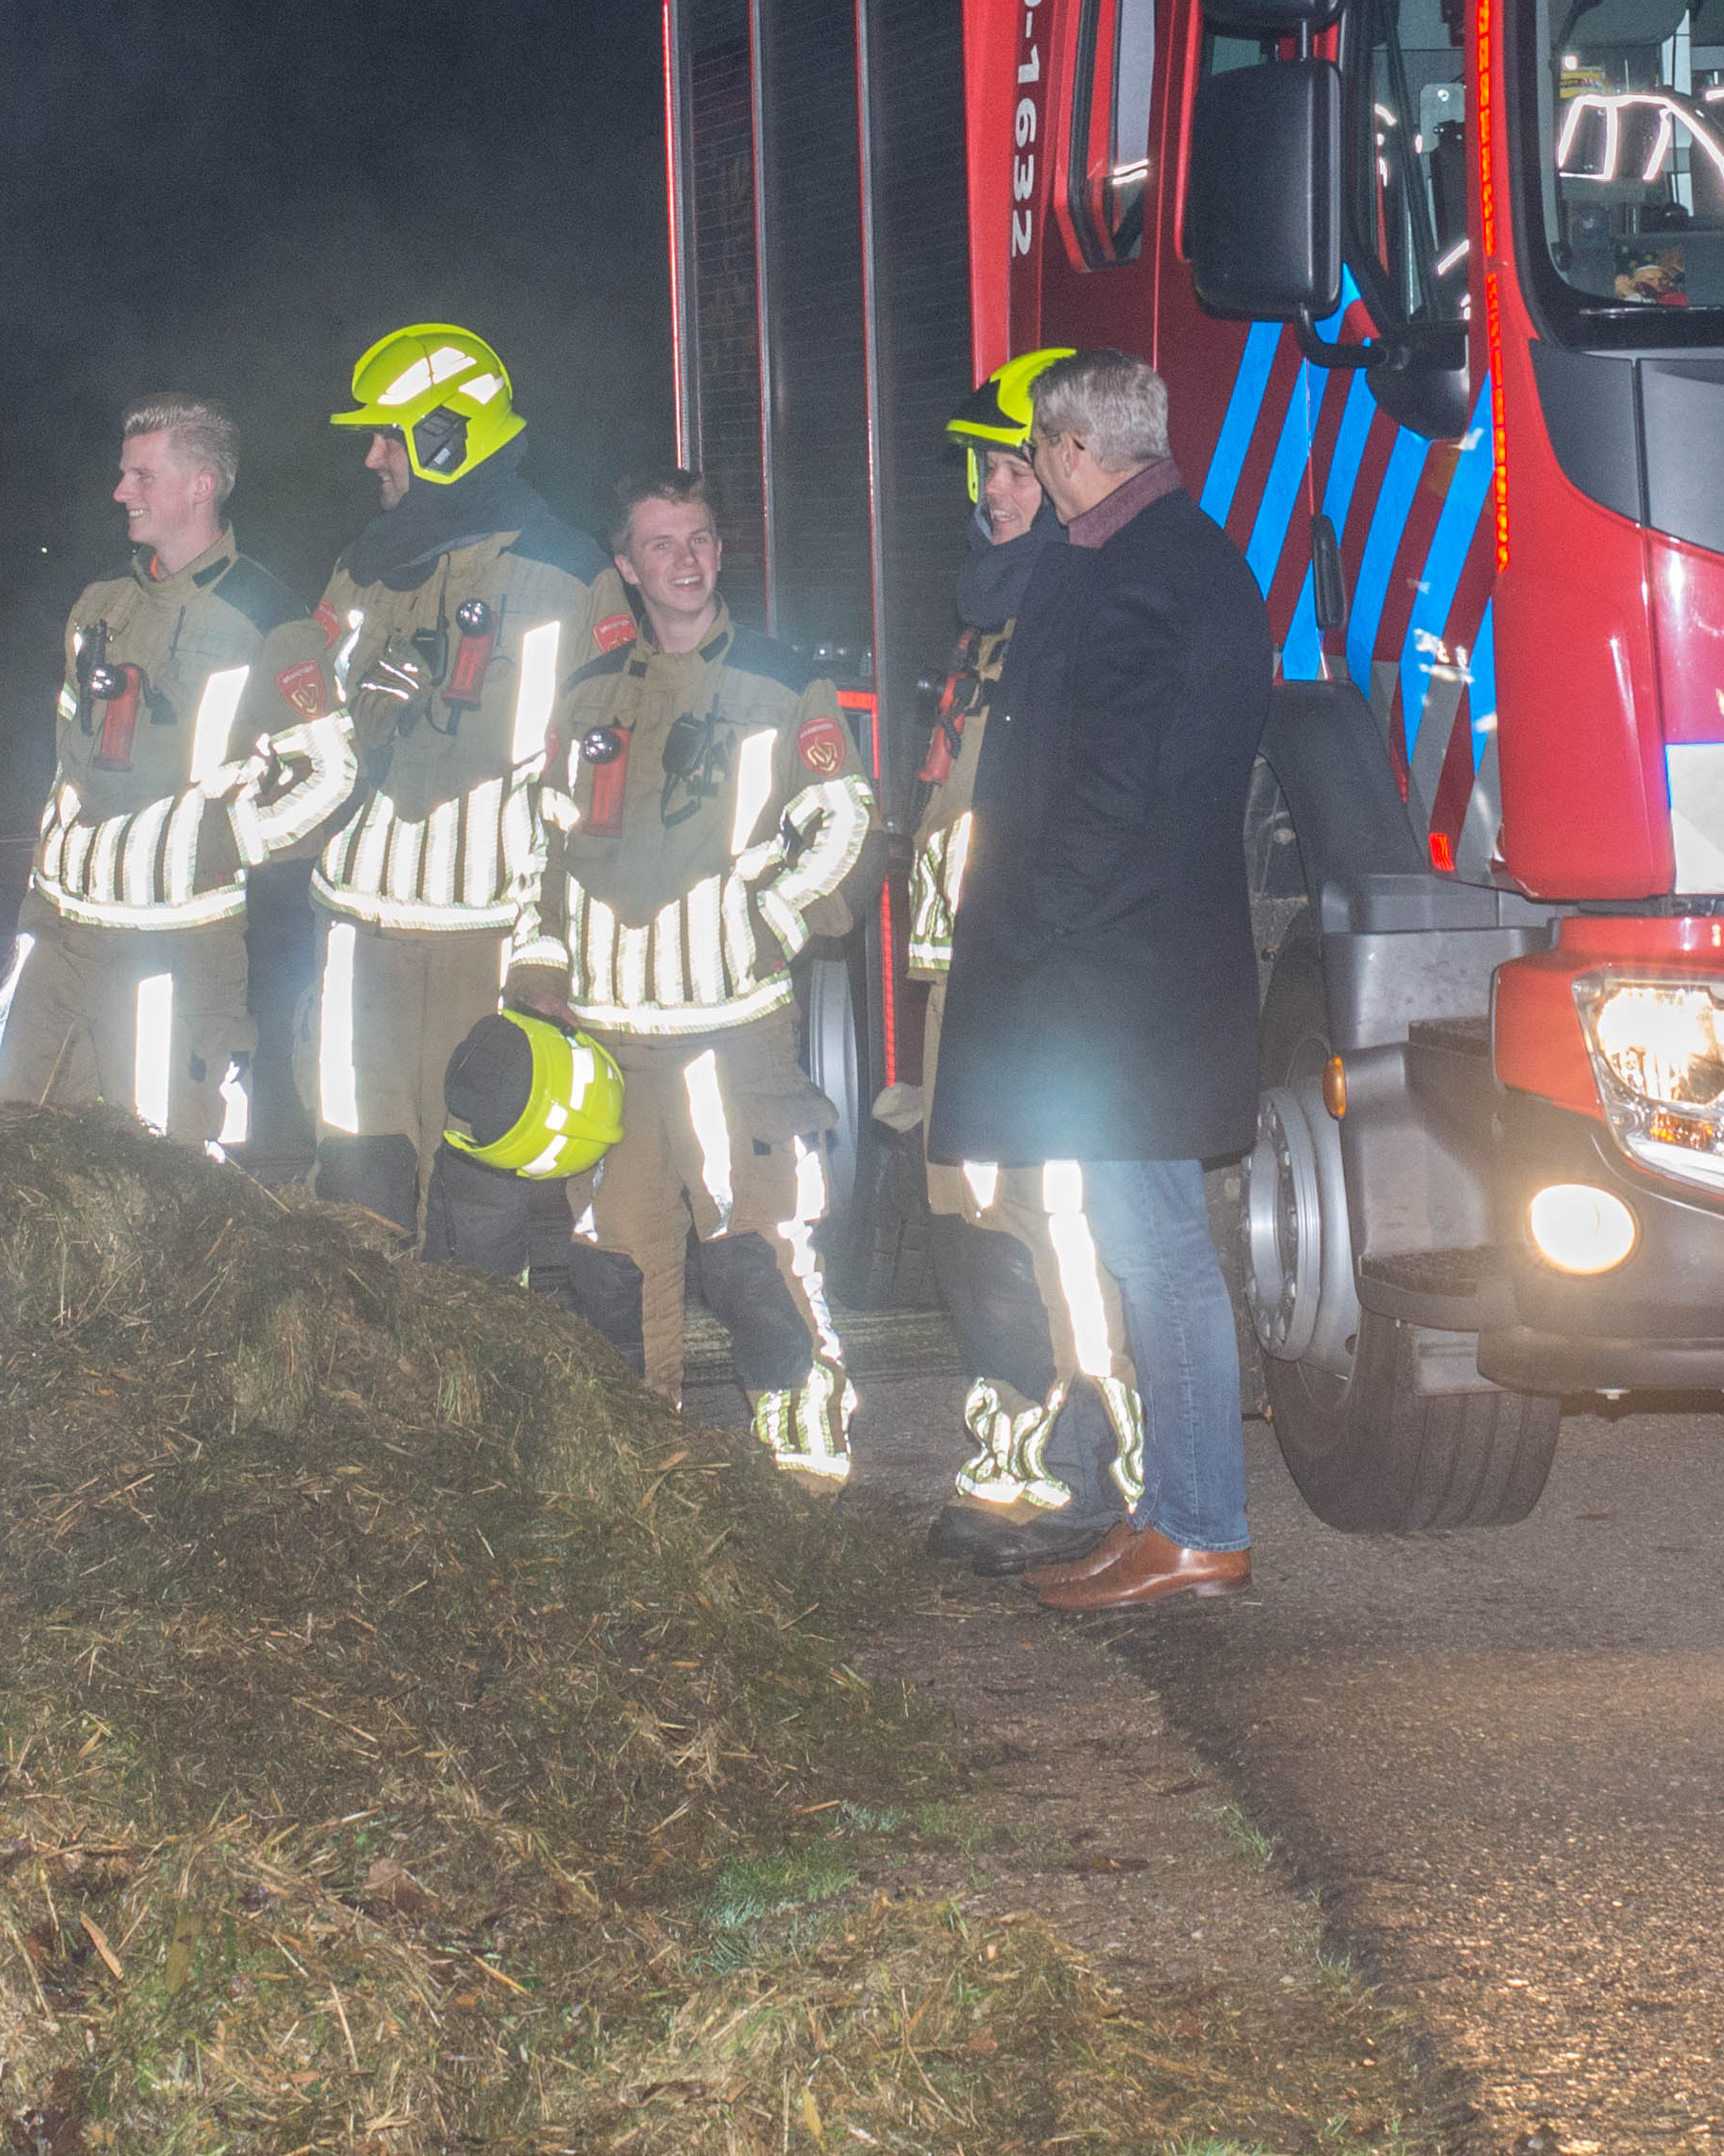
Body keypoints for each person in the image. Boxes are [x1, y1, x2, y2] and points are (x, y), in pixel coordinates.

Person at [932, 347, 1273, 1614]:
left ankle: (1196, 1523)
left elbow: (1103, 790)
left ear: (1075, 450)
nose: (1026, 471)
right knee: (1150, 1245)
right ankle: (1173, 1511)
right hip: (1146, 973)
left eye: (1034, 450)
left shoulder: (1137, 575)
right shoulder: (1178, 551)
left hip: (1121, 978)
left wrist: (1032, 927)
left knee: (1158, 1251)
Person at [510, 470, 874, 1483]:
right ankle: (642, 1465)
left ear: (720, 551)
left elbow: (844, 821)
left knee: (754, 1254)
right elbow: (542, 841)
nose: (685, 559)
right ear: (627, 566)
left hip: (731, 1036)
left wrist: (771, 916)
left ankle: (805, 1454)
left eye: (700, 539)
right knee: (614, 1268)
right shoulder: (586, 695)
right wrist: (538, 961)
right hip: (606, 1037)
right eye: (661, 544)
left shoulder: (780, 679)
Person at [890, 352, 1141, 1574]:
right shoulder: (997, 603)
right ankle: (1012, 1469)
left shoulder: (1083, 605)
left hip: (1041, 977)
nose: (994, 485)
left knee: (1062, 1228)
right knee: (973, 1224)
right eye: (985, 464)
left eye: (1015, 461)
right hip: (965, 975)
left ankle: (1111, 1478)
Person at [283, 321, 612, 1255]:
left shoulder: (571, 576)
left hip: (491, 949)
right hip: (358, 940)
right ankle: (369, 1404)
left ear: (445, 433)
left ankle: (475, 1404)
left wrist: (548, 950)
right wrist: (356, 728)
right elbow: (298, 747)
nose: (371, 456)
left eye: (388, 434)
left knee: (481, 1217)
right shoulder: (360, 570)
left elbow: (595, 799)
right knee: (355, 1203)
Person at [0, 394, 333, 1154]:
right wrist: (38, 895)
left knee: (162, 1173)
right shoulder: (98, 603)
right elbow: (63, 762)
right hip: (60, 937)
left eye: (142, 475)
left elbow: (330, 776)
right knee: (5, 1151)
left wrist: (218, 842)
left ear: (200, 485)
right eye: (122, 474)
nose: (120, 492)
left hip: (175, 952)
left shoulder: (268, 617)